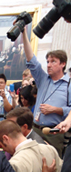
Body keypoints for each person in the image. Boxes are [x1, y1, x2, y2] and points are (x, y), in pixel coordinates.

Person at [21, 25, 71, 157]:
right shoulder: (43, 79)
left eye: (53, 61)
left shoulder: (69, 84)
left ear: (63, 64)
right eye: (47, 61)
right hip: (35, 129)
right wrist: (23, 33)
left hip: (55, 134)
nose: (48, 64)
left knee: (51, 166)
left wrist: (56, 110)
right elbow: (31, 60)